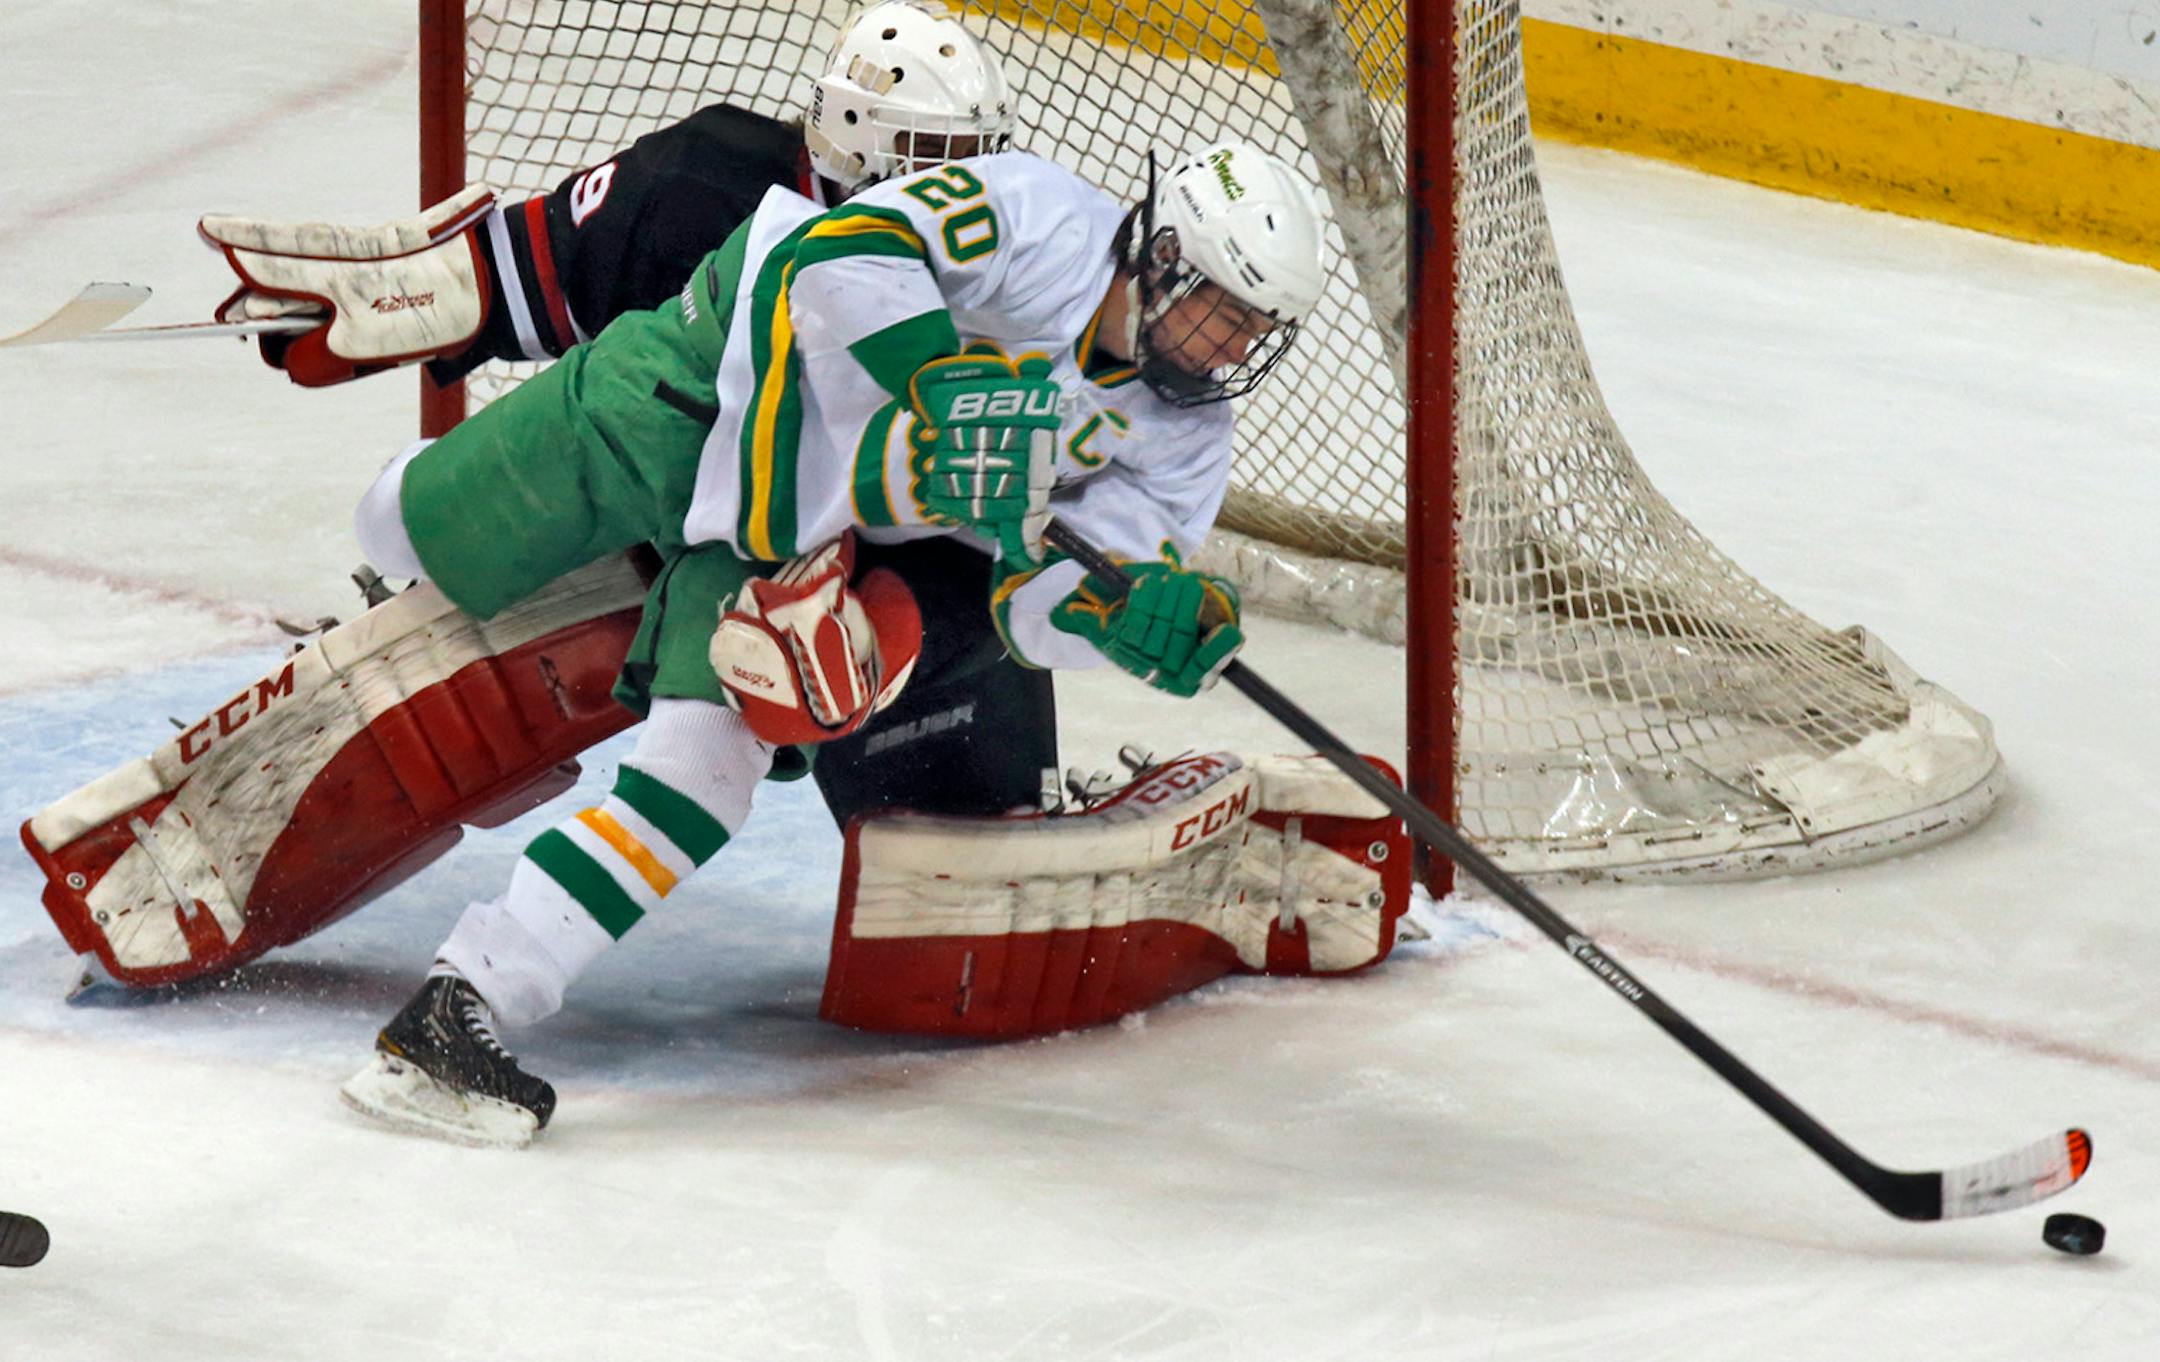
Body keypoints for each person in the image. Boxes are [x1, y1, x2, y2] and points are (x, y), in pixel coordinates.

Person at [333, 138, 1330, 1147]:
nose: (1236, 347)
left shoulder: (1185, 438)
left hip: (808, 534)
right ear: (1163, 257)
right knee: (414, 526)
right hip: (714, 383)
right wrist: (933, 378)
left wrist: (1116, 617)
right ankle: (405, 575)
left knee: (703, 775)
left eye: (1259, 330)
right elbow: (841, 248)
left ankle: (458, 1014)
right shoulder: (1038, 218)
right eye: (1230, 312)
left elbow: (1028, 607)